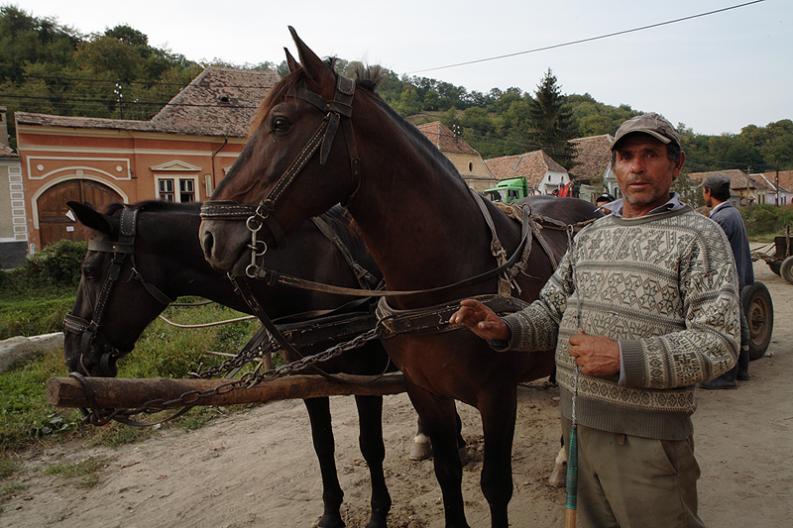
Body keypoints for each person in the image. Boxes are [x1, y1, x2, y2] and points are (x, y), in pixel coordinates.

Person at [450, 113, 739, 528]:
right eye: (625, 157)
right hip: (578, 430)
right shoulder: (590, 235)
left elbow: (719, 342)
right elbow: (551, 311)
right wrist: (506, 327)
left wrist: (624, 357)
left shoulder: (699, 236)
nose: (636, 167)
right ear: (614, 167)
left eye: (650, 155)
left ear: (676, 165)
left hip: (647, 443)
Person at [701, 174, 753, 388]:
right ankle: (742, 370)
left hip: (727, 280)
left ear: (709, 193)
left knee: (725, 326)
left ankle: (725, 376)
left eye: (703, 191)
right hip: (737, 275)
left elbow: (710, 254)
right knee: (738, 322)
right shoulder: (732, 213)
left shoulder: (721, 220)